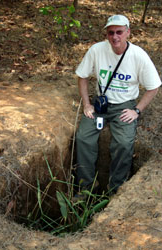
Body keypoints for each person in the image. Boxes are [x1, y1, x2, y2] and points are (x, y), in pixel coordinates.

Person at [75, 14, 161, 196]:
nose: (115, 37)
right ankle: (87, 188)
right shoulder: (96, 50)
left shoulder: (138, 56)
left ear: (128, 32)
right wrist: (87, 104)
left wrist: (137, 110)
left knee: (123, 143)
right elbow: (82, 76)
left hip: (124, 105)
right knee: (83, 138)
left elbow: (154, 86)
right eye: (111, 32)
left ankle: (116, 191)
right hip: (101, 104)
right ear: (106, 34)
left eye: (119, 32)